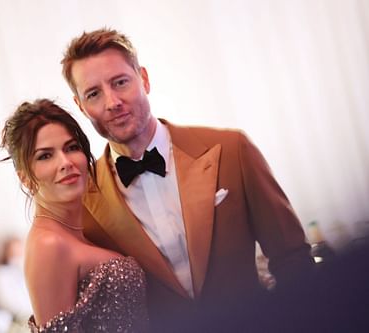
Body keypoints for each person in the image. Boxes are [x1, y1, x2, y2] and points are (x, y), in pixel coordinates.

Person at [60, 28, 315, 331]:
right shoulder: (84, 203)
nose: (112, 101)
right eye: (94, 93)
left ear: (144, 79)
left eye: (120, 82)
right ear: (80, 105)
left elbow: (292, 259)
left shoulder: (232, 149)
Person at [0, 99, 149, 332]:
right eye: (45, 156)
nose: (66, 162)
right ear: (25, 178)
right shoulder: (49, 244)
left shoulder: (77, 231)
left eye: (71, 148)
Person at [0, 236, 32, 330]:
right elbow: (5, 300)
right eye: (14, 249)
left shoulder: (25, 269)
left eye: (20, 249)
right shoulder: (1, 273)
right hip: (15, 317)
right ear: (7, 251)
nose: (17, 252)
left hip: (30, 312)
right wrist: (23, 312)